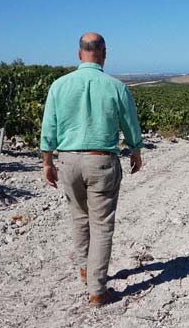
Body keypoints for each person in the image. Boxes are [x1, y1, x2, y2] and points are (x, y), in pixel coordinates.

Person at [40, 32, 144, 307]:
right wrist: (135, 150)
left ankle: (86, 270)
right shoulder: (116, 87)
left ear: (78, 54)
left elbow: (48, 127)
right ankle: (97, 290)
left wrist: (47, 162)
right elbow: (130, 123)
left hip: (69, 161)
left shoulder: (59, 86)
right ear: (105, 54)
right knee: (102, 225)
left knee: (79, 218)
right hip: (101, 161)